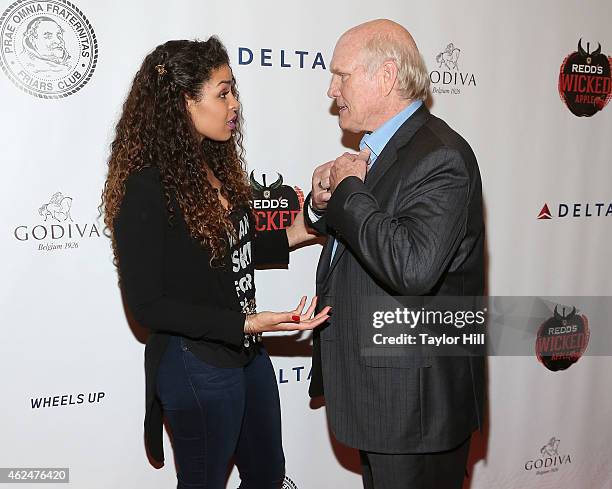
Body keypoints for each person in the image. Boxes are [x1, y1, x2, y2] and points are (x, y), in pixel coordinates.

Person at [102, 37, 330, 489]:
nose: (235, 104)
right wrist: (246, 323)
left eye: (234, 91)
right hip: (195, 363)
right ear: (184, 102)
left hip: (247, 355)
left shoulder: (213, 165)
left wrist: (306, 227)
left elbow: (234, 248)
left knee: (266, 476)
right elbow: (148, 306)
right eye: (223, 92)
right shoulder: (145, 186)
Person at [304, 20, 485, 489]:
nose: (332, 89)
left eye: (342, 75)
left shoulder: (441, 155)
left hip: (415, 410)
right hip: (383, 398)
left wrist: (347, 192)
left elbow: (411, 265)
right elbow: (368, 234)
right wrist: (323, 204)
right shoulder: (382, 151)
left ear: (386, 76)